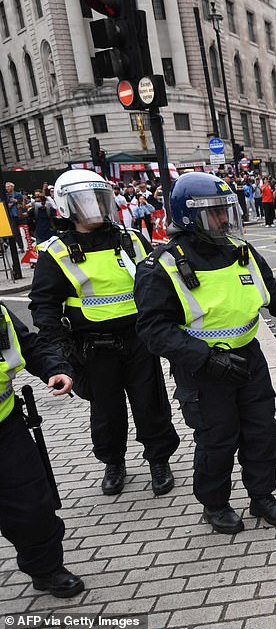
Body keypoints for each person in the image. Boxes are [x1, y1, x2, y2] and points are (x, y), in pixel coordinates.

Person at [133, 172, 276, 534]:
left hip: (248, 359)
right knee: (217, 438)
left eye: (224, 210)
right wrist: (205, 358)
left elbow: (272, 292)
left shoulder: (239, 250)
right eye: (214, 213)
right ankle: (215, 505)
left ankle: (262, 496)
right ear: (190, 217)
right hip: (203, 370)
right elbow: (154, 331)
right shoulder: (162, 266)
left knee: (261, 431)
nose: (223, 219)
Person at [29, 169, 180, 497]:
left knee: (150, 404)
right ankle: (114, 463)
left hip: (139, 340)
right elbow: (44, 305)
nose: (95, 207)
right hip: (93, 347)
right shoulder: (56, 251)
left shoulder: (130, 239)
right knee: (106, 412)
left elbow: (157, 283)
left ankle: (159, 460)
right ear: (68, 206)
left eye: (100, 199)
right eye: (86, 201)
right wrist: (59, 350)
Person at [0, 302, 82, 598]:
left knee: (32, 503)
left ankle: (46, 570)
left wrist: (56, 367)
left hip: (6, 427)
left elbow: (29, 346)